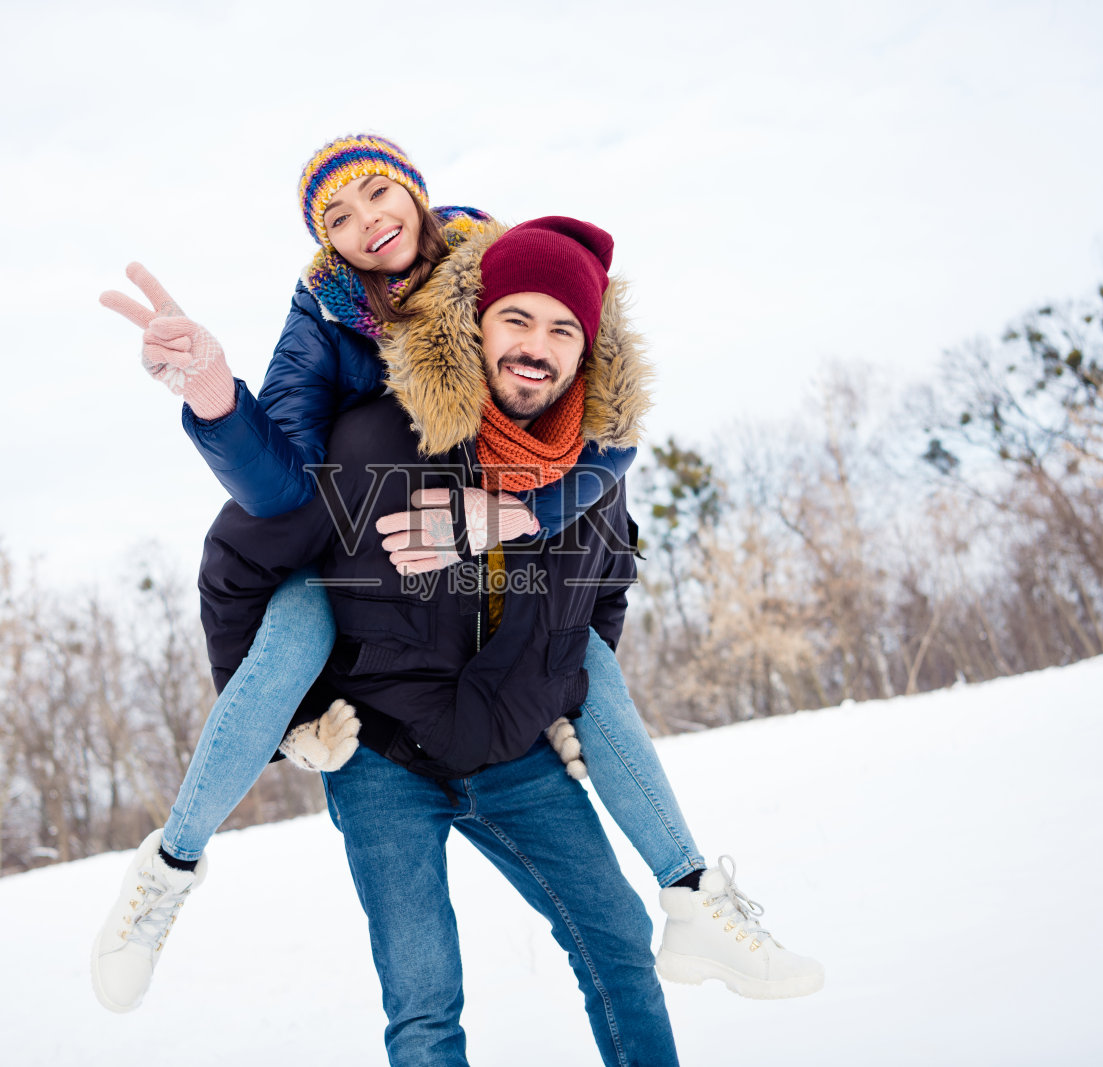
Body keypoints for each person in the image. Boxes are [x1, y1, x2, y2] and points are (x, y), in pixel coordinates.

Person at [90, 136, 821, 1015]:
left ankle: (694, 892)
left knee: (589, 656)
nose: (367, 224)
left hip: (492, 651)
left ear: (416, 192)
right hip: (357, 579)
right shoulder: (326, 322)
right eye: (338, 218)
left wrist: (529, 562)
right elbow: (277, 493)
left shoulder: (505, 279)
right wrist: (214, 395)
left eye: (376, 195)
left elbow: (613, 429)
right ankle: (168, 868)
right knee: (301, 618)